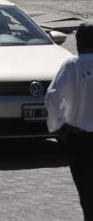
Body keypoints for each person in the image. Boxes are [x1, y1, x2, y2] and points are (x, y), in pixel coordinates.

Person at [47, 22, 93, 219]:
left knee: (87, 193)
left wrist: (58, 124)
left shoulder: (72, 65)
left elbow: (53, 95)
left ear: (79, 42)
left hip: (80, 138)